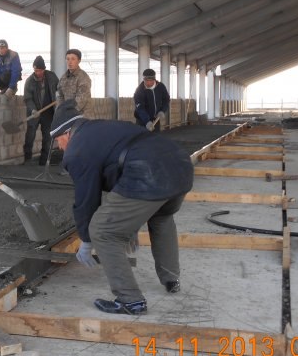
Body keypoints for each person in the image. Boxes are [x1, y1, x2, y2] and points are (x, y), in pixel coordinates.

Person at [49, 99, 193, 315]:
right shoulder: (102, 129)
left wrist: (87, 239)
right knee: (161, 218)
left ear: (67, 133)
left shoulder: (76, 149)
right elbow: (121, 179)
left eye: (58, 141)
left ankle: (130, 300)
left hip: (148, 173)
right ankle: (171, 279)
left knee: (102, 231)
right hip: (180, 165)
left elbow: (87, 199)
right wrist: (128, 227)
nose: (59, 147)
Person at [22, 55, 58, 165]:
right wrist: (33, 110)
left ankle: (44, 161)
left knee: (47, 137)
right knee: (30, 136)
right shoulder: (29, 81)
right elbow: (27, 98)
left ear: (44, 69)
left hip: (48, 112)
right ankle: (27, 159)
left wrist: (59, 98)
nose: (37, 73)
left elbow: (60, 88)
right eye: (36, 70)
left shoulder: (51, 77)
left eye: (40, 70)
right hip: (34, 112)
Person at [56, 48, 91, 114]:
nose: (70, 62)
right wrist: (59, 111)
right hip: (67, 114)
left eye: (73, 59)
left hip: (82, 115)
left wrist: (69, 112)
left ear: (79, 61)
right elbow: (60, 96)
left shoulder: (83, 77)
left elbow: (81, 100)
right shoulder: (63, 78)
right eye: (68, 59)